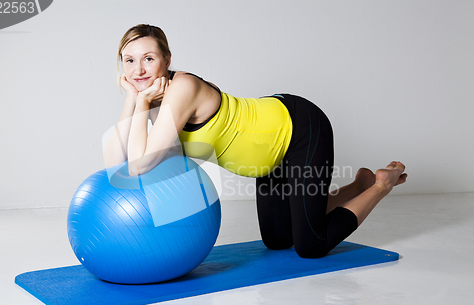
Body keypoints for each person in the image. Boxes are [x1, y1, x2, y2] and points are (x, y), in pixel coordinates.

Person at [104, 24, 407, 258]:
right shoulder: (152, 96)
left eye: (148, 58)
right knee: (278, 240)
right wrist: (132, 99)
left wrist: (140, 104)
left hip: (297, 129)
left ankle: (380, 184)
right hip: (266, 158)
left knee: (310, 245)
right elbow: (117, 166)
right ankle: (358, 186)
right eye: (129, 61)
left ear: (166, 59)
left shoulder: (181, 87)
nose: (138, 70)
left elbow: (138, 166)